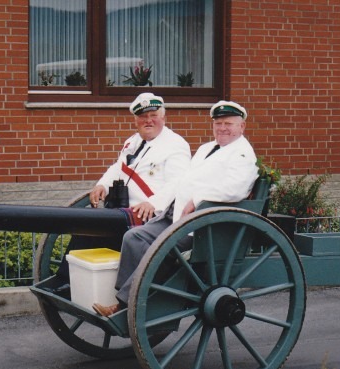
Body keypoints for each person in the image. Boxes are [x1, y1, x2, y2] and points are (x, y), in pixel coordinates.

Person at [93, 100, 259, 317]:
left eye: (228, 123)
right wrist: (159, 203)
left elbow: (235, 189)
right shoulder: (206, 148)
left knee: (159, 249)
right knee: (134, 237)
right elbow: (182, 181)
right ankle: (129, 298)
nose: (222, 128)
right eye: (218, 124)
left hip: (203, 225)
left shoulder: (243, 154)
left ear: (241, 127)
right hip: (177, 215)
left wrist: (198, 198)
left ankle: (125, 306)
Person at [90, 92, 191, 223]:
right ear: (136, 121)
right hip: (122, 209)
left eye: (153, 115)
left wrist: (153, 203)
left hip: (150, 213)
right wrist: (102, 185)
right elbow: (118, 168)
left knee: (99, 224)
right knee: (86, 229)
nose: (148, 121)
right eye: (143, 116)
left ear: (163, 118)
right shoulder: (132, 142)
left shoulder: (175, 144)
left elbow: (177, 182)